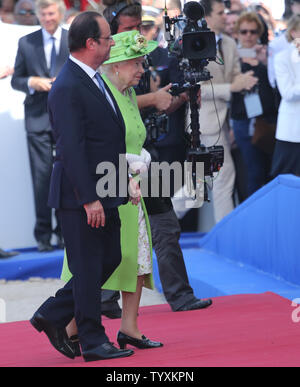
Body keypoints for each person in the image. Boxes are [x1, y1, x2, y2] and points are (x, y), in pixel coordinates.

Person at [30, 11, 135, 362]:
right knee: (89, 267)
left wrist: (120, 185)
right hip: (82, 196)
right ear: (91, 43)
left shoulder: (91, 78)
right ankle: (92, 340)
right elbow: (71, 147)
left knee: (109, 258)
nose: (111, 43)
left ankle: (53, 313)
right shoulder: (68, 85)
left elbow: (104, 139)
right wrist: (89, 199)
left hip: (106, 189)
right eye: (107, 38)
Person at [100, 0, 213, 319]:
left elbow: (170, 98)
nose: (137, 34)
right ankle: (104, 297)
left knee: (164, 225)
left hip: (154, 157)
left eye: (143, 27)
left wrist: (178, 96)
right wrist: (154, 98)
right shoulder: (102, 62)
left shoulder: (162, 56)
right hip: (115, 164)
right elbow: (112, 100)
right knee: (114, 232)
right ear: (111, 27)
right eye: (130, 28)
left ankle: (179, 294)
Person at [62, 29, 164, 353]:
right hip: (109, 188)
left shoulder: (130, 94)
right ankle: (70, 326)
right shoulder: (101, 91)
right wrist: (128, 166)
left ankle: (130, 328)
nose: (141, 69)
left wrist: (142, 158)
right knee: (99, 263)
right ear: (116, 66)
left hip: (131, 189)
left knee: (137, 261)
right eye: (136, 63)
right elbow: (93, 146)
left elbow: (132, 139)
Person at [192, 0, 258, 223]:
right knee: (222, 179)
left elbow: (235, 75)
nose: (225, 16)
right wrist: (232, 87)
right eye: (221, 12)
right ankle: (225, 236)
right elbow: (196, 88)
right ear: (207, 16)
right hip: (206, 122)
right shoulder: (195, 43)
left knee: (201, 185)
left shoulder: (229, 43)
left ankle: (163, 215)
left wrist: (246, 77)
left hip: (226, 123)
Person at [11, 0, 69, 252]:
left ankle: (66, 232)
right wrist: (32, 81)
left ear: (60, 13)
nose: (47, 18)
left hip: (67, 117)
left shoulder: (72, 39)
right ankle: (43, 236)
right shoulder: (27, 42)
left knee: (68, 176)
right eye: (43, 13)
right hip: (37, 118)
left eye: (51, 13)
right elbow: (16, 80)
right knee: (41, 178)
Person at [230, 12, 277, 197]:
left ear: (259, 33)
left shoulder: (269, 56)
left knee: (271, 173)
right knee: (254, 173)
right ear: (237, 33)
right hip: (244, 122)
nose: (248, 35)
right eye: (244, 31)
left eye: (253, 31)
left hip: (268, 121)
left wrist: (265, 62)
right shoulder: (231, 59)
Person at [271, 15, 300, 177]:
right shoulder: (282, 58)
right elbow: (287, 93)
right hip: (292, 133)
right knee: (288, 182)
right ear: (294, 32)